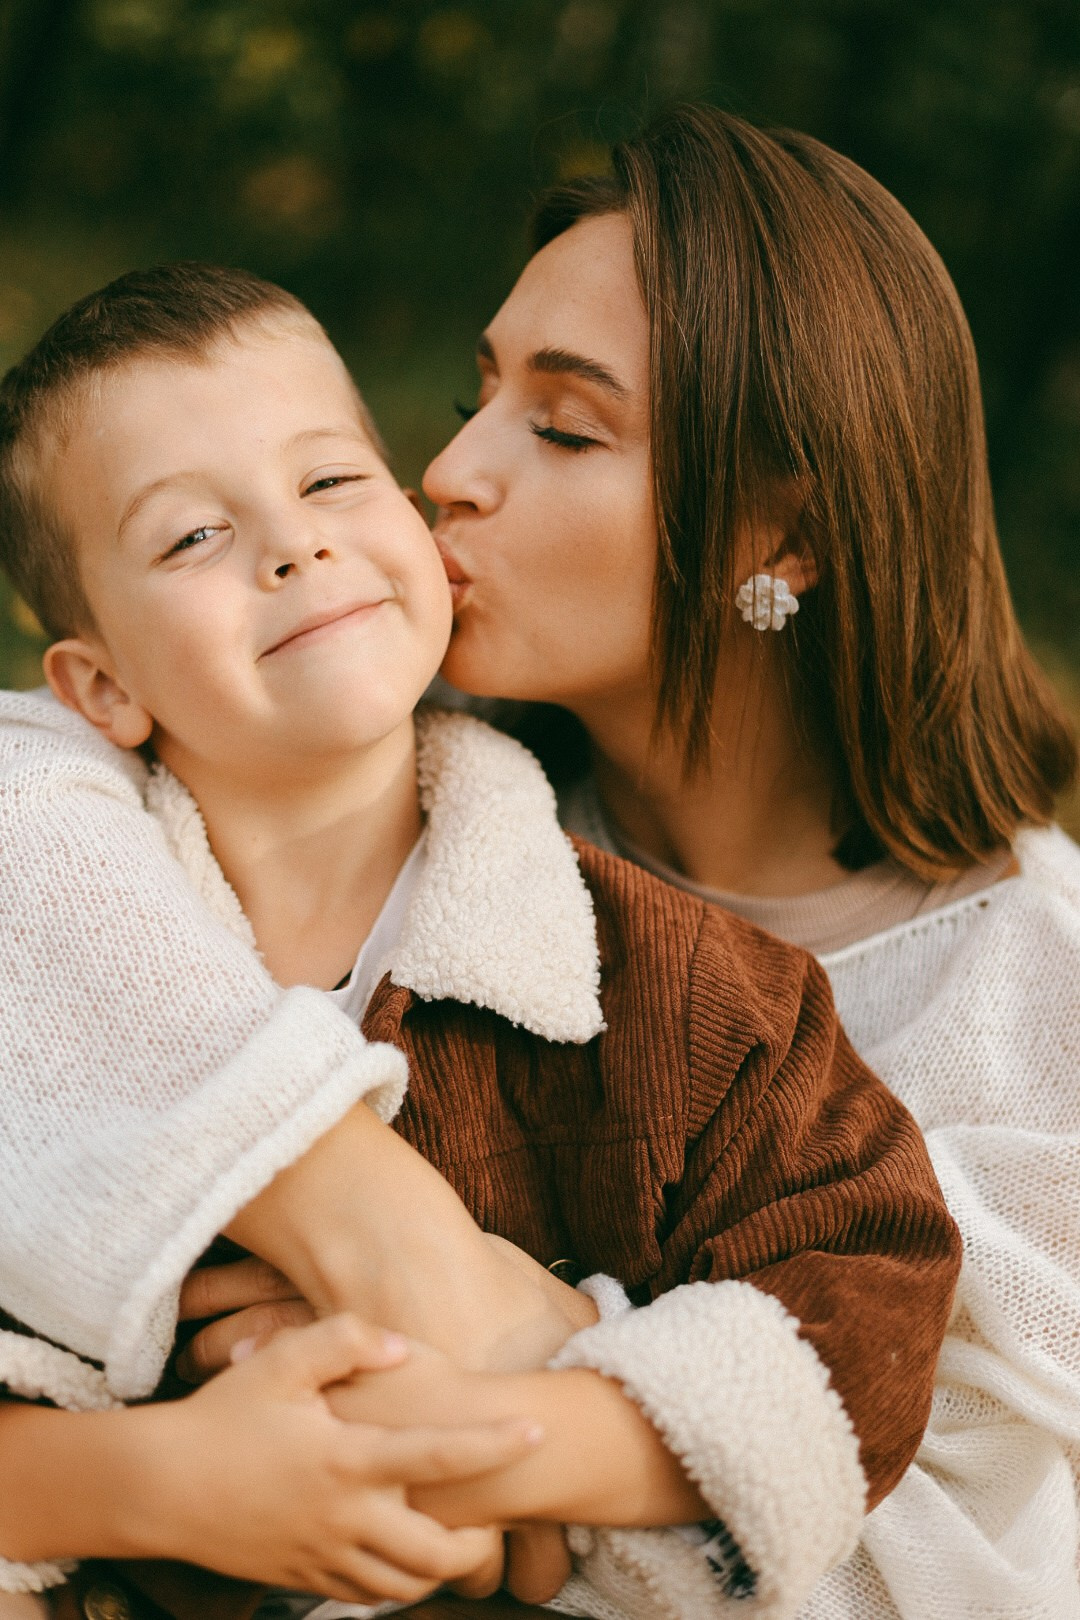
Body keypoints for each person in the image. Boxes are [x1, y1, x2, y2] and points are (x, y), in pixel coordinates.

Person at [0, 263, 960, 1620]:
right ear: (100, 686)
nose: (292, 545)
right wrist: (162, 1473)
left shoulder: (676, 987)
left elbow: (869, 1297)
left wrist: (519, 1439)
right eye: (190, 538)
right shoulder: (46, 948)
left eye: (331, 482)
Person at [417, 105, 1080, 1620]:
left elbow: (947, 1568)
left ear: (785, 536)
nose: (449, 469)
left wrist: (509, 1326)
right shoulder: (395, 808)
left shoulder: (1041, 996)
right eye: (479, 392)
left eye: (565, 427)